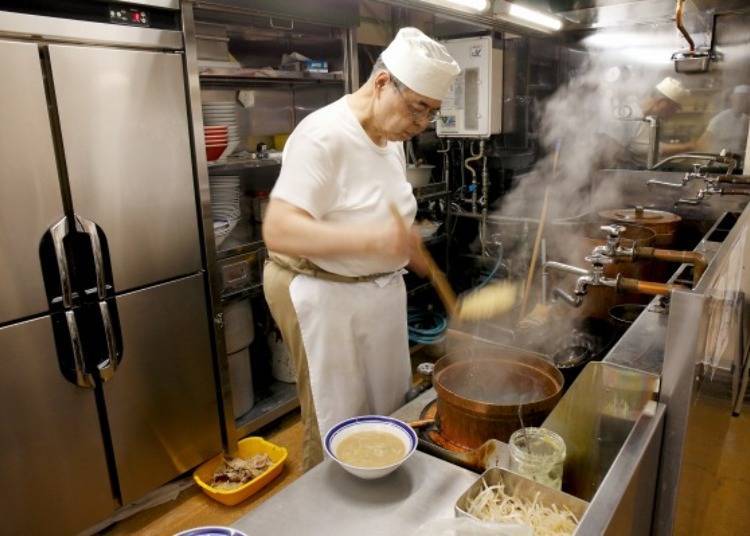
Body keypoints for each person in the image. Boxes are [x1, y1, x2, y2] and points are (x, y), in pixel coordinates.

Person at [261, 28, 460, 470]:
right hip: (325, 292)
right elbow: (279, 230)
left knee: (391, 404)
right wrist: (374, 240)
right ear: (383, 82)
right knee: (339, 418)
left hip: (377, 289)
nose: (422, 124)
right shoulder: (323, 135)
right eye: (417, 108)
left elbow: (373, 206)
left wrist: (402, 246)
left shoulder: (390, 139)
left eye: (432, 113)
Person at [604, 76, 693, 168]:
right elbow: (651, 149)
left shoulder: (649, 119)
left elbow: (648, 148)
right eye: (674, 108)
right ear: (662, 103)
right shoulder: (628, 115)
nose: (674, 113)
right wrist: (692, 146)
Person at [697, 84, 750, 157]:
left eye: (746, 99)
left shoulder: (746, 119)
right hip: (720, 164)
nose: (744, 102)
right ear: (733, 99)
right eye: (740, 98)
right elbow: (701, 144)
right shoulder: (720, 119)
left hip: (739, 162)